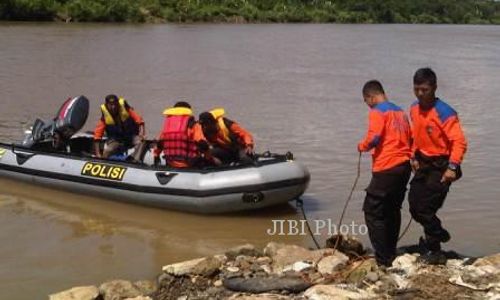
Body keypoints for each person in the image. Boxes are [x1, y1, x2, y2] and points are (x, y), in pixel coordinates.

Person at [409, 68, 467, 264]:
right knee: (414, 206)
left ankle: (435, 250)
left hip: (442, 165)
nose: (420, 93)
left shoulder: (445, 113)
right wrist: (413, 156)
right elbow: (416, 135)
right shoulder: (414, 109)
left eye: (424, 89)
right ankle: (438, 233)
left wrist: (452, 167)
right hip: (423, 162)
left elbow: (459, 142)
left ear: (434, 88)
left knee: (426, 208)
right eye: (416, 89)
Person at [358, 80, 412, 267]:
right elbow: (410, 138)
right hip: (404, 167)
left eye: (366, 101)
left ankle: (383, 258)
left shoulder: (377, 111)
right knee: (392, 210)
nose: (368, 105)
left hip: (387, 167)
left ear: (371, 97)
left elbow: (374, 138)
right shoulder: (400, 112)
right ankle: (390, 250)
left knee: (372, 211)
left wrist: (361, 146)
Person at [153, 101, 213, 168]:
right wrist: (209, 158)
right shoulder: (193, 124)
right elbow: (202, 144)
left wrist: (156, 156)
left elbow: (160, 144)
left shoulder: (168, 125)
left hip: (170, 163)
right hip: (190, 164)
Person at [93, 94, 146, 162]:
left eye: (115, 104)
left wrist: (141, 133)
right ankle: (103, 161)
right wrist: (98, 153)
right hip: (115, 140)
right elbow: (97, 136)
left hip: (130, 137)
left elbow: (139, 120)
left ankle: (133, 160)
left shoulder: (126, 109)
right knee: (108, 150)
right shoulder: (104, 117)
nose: (113, 107)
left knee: (142, 141)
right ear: (107, 105)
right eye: (111, 105)